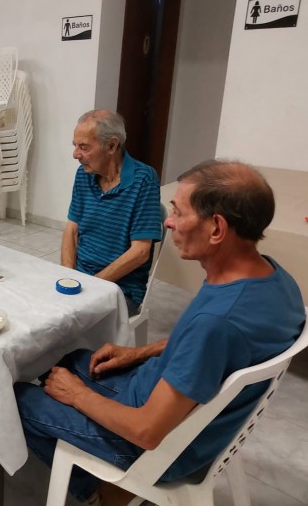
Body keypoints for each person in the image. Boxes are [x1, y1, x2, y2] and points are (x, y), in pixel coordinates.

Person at [16, 160, 306, 505]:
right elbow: (211, 349)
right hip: (172, 406)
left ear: (216, 229)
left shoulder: (218, 321)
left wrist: (78, 396)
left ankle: (98, 488)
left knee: (16, 396)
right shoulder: (275, 279)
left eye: (177, 212)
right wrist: (138, 352)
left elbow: (147, 432)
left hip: (158, 446)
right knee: (68, 360)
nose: (167, 222)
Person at [61, 109, 162, 316]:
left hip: (120, 289)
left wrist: (91, 285)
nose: (75, 154)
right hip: (83, 279)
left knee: (66, 326)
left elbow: (140, 252)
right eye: (75, 145)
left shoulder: (144, 179)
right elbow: (71, 229)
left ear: (112, 145)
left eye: (84, 147)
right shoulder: (84, 174)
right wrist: (68, 277)